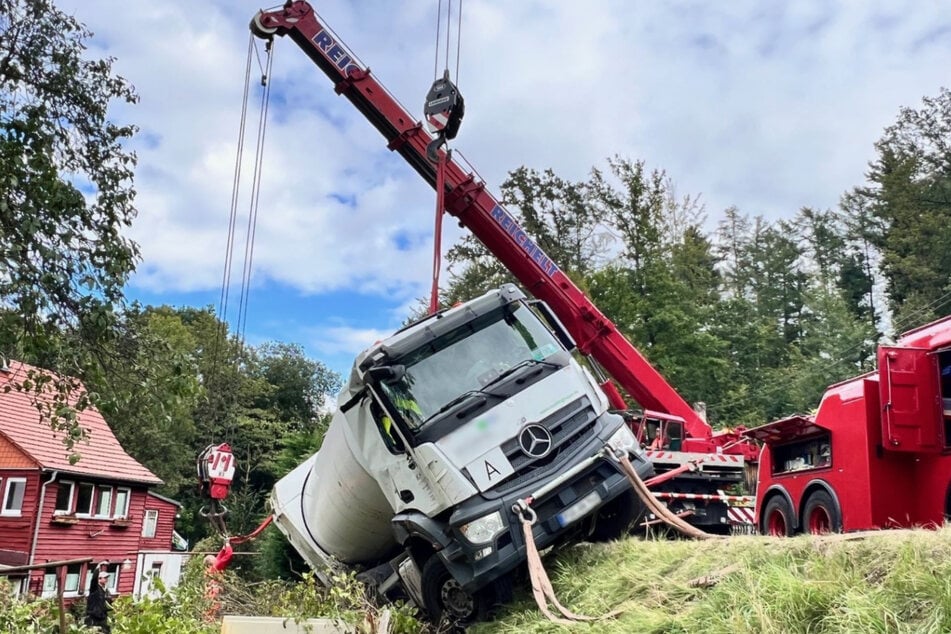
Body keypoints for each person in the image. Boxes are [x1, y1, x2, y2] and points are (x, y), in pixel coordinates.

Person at [84, 561, 112, 633]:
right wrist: (98, 566)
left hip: (102, 616)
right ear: (99, 579)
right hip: (93, 616)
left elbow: (107, 602)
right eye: (105, 578)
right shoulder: (95, 588)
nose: (106, 579)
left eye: (107, 578)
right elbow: (93, 579)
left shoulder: (106, 590)